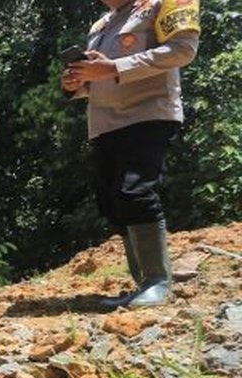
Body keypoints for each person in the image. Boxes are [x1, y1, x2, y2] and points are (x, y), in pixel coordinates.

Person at [63, 0, 199, 308]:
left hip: (148, 113)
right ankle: (142, 287)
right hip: (104, 123)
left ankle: (158, 282)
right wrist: (79, 82)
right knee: (112, 203)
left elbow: (182, 50)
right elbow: (102, 79)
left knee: (133, 192)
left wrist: (113, 67)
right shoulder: (101, 25)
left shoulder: (164, 3)